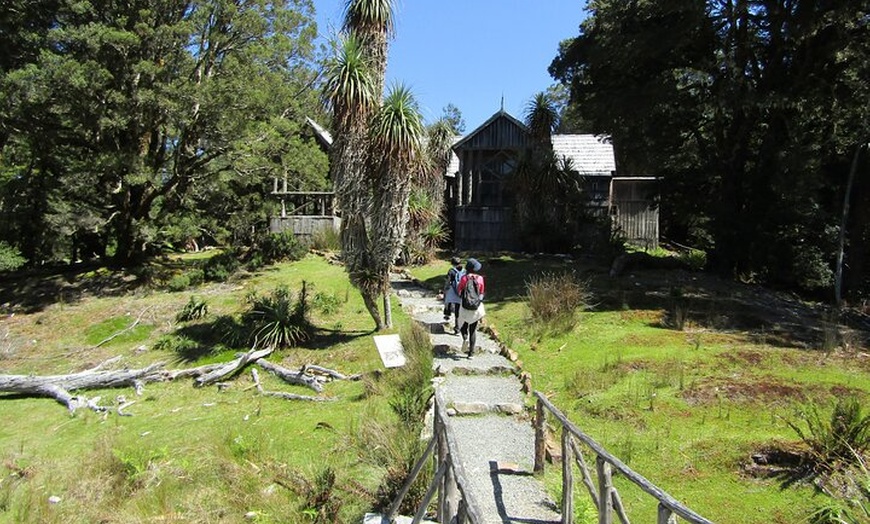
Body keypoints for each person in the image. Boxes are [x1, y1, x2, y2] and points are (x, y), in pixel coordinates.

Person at [457, 257, 485, 358]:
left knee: (462, 324)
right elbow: (481, 293)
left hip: (465, 306)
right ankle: (471, 353)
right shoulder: (480, 279)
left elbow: (459, 290)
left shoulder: (464, 278)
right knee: (473, 330)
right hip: (475, 307)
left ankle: (465, 337)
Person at [442, 256, 464, 334]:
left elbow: (448, 282)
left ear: (452, 263)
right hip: (460, 291)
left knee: (448, 301)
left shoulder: (451, 271)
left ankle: (447, 314)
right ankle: (457, 328)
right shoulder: (464, 271)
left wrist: (444, 290)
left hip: (452, 290)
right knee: (458, 310)